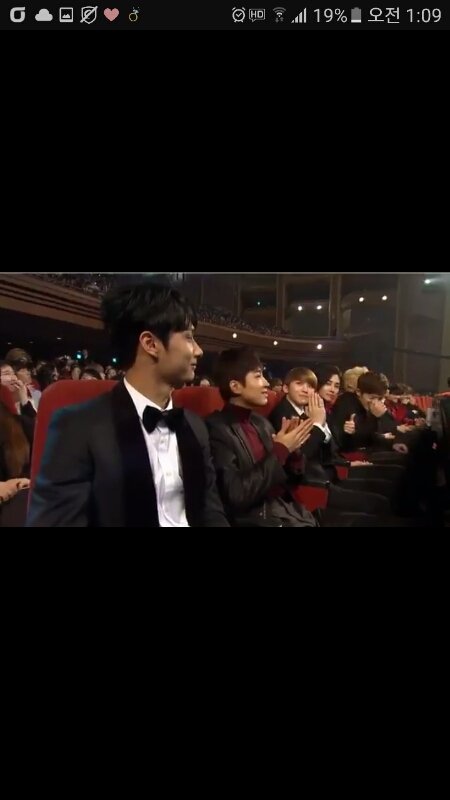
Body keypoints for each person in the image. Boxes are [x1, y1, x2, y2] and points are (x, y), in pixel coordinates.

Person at [27, 282, 230, 528]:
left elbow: (211, 512)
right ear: (150, 344)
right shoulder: (77, 427)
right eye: (188, 337)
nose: (198, 350)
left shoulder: (194, 426)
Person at [206, 348, 317, 527]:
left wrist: (293, 453)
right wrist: (280, 450)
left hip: (286, 512)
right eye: (258, 376)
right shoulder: (216, 428)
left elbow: (290, 482)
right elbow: (237, 494)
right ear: (235, 386)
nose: (266, 383)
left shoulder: (261, 422)